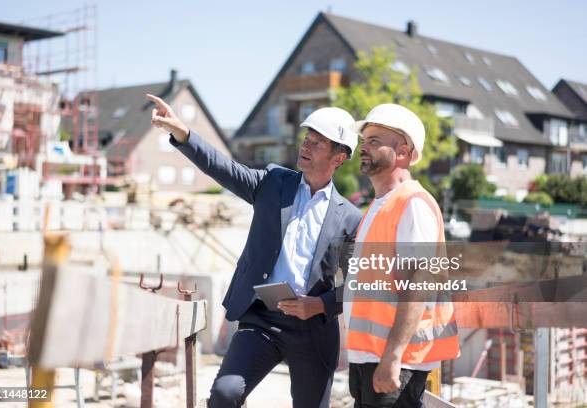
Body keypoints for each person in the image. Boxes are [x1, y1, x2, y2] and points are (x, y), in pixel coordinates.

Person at [146, 94, 363, 408]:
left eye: (317, 143)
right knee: (224, 395)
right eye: (306, 139)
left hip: (315, 330)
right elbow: (225, 169)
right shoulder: (274, 183)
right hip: (264, 321)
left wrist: (317, 305)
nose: (305, 146)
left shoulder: (351, 219)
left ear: (339, 157)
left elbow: (355, 285)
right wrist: (183, 134)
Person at [344, 104, 460, 407]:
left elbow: (418, 285)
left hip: (396, 361)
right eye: (363, 141)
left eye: (374, 141)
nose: (363, 148)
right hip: (369, 355)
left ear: (404, 153)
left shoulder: (413, 204)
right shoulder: (379, 206)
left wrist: (393, 358)